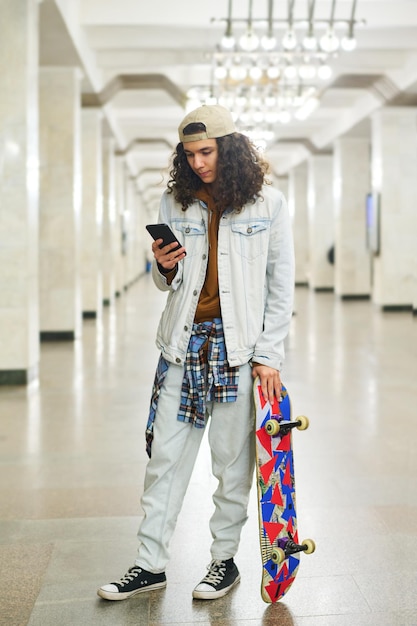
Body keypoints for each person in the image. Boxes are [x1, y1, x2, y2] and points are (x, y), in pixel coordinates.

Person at [97, 104, 295, 602]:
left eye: (206, 152)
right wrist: (163, 268)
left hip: (237, 351)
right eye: (189, 155)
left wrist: (269, 356)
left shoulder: (268, 204)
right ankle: (149, 565)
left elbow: (280, 285)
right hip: (183, 347)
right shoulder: (175, 202)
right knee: (164, 460)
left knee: (231, 465)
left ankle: (222, 563)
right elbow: (172, 283)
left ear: (229, 150)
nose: (198, 163)